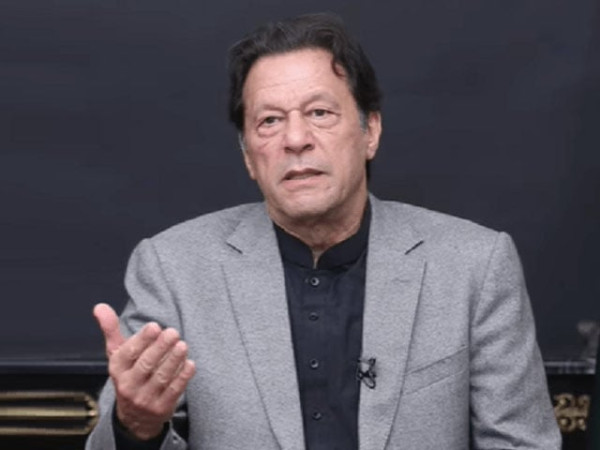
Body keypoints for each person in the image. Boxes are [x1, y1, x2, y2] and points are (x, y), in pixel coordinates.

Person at [86, 12, 562, 450]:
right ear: (248, 155)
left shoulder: (475, 265)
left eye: (320, 113)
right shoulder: (174, 268)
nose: (295, 139)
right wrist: (137, 427)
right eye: (269, 121)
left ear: (370, 132)